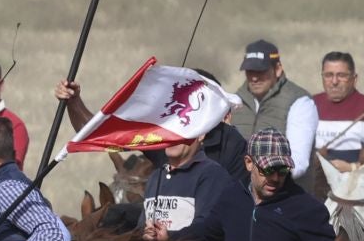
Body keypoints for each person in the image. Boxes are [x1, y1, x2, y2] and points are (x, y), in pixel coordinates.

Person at [55, 70, 251, 191]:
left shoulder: (232, 144)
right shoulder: (163, 130)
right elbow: (99, 134)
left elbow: (234, 199)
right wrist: (74, 102)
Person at [141, 111, 253, 241]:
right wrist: (143, 236)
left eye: (181, 131)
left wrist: (169, 238)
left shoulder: (213, 175)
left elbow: (206, 229)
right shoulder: (155, 177)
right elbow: (139, 228)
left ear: (201, 135)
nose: (173, 137)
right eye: (168, 131)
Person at [233, 40, 318, 178]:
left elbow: (298, 164)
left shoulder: (299, 102)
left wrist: (264, 176)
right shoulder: (235, 101)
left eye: (260, 71)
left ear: (277, 69)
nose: (254, 78)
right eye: (250, 71)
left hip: (283, 188)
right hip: (239, 188)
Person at [312, 51, 364, 167]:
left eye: (341, 75)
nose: (334, 82)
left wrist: (352, 168)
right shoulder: (308, 106)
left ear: (354, 79)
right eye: (328, 75)